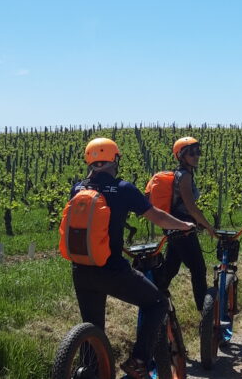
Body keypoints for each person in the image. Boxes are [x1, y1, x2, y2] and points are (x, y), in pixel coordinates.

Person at [66, 138, 196, 379]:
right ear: (115, 159)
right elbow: (156, 216)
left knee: (93, 327)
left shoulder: (77, 188)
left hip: (81, 269)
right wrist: (184, 224)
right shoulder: (123, 188)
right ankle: (139, 361)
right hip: (111, 269)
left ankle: (90, 371)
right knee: (156, 302)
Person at [160, 136, 216, 312]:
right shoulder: (184, 176)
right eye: (191, 153)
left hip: (176, 226)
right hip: (182, 227)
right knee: (198, 269)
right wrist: (208, 226)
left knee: (171, 268)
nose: (196, 156)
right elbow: (191, 207)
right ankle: (204, 314)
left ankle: (156, 301)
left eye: (197, 152)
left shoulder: (185, 174)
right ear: (181, 156)